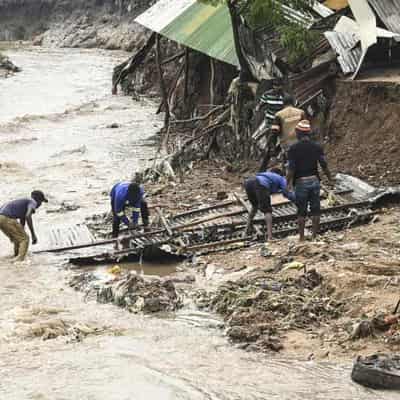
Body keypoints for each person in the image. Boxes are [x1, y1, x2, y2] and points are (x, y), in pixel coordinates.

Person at [287, 120, 333, 241]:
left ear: (298, 133)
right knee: (315, 209)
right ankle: (314, 236)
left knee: (301, 211)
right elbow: (324, 164)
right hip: (314, 181)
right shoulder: (316, 147)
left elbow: (291, 168)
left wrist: (287, 184)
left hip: (301, 182)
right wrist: (330, 179)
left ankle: (302, 238)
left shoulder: (293, 149)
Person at [244, 167, 295, 241]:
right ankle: (270, 237)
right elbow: (286, 192)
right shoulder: (280, 178)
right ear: (280, 174)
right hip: (260, 184)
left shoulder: (266, 175)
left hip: (248, 183)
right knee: (268, 211)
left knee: (254, 206)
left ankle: (246, 231)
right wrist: (296, 200)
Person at [0, 190, 48, 261]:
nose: (40, 205)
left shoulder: (24, 202)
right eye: (41, 202)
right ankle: (19, 261)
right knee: (25, 239)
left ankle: (15, 257)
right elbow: (28, 216)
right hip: (7, 218)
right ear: (37, 199)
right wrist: (33, 235)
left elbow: (22, 220)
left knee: (18, 239)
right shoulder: (33, 202)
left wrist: (22, 230)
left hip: (2, 218)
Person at [255, 78, 286, 172]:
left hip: (281, 124)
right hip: (270, 123)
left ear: (282, 86)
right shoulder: (267, 95)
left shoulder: (285, 96)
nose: (277, 88)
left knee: (284, 147)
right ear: (273, 86)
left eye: (279, 86)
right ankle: (262, 169)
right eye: (276, 86)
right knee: (270, 146)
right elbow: (260, 105)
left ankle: (283, 168)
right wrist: (258, 108)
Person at [273, 94, 305, 170]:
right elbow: (305, 127)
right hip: (300, 141)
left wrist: (273, 146)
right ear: (293, 102)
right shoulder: (301, 112)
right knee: (302, 161)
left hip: (287, 143)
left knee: (290, 164)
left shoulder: (278, 115)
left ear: (283, 103)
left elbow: (274, 131)